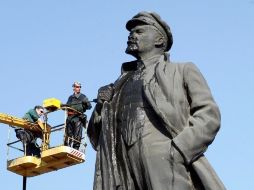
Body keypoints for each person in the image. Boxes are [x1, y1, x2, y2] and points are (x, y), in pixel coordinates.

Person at [88, 12, 225, 190]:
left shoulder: (182, 70)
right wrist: (100, 108)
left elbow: (209, 115)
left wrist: (178, 150)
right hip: (120, 167)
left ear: (159, 40)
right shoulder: (117, 84)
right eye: (132, 32)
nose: (132, 35)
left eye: (139, 31)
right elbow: (95, 138)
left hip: (164, 161)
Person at [64, 81, 92, 150]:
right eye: (77, 87)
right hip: (70, 118)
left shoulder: (83, 97)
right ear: (73, 88)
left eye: (79, 87)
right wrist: (64, 106)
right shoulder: (70, 97)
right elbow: (68, 106)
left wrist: (85, 104)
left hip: (78, 118)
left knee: (77, 134)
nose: (78, 88)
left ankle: (76, 148)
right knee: (68, 133)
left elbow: (89, 106)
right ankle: (67, 146)